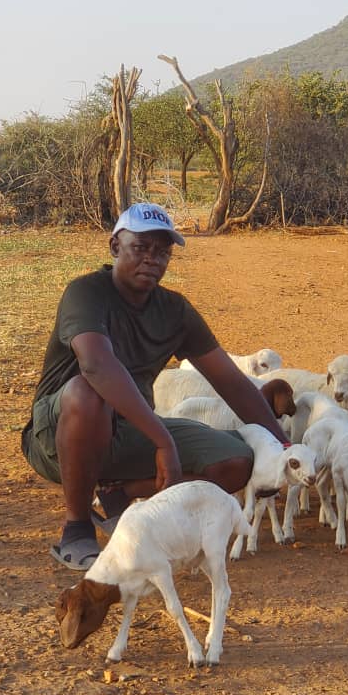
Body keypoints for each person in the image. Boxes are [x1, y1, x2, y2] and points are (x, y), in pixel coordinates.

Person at [21, 201, 289, 571]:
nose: (152, 259)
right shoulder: (86, 293)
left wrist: (282, 445)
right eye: (141, 248)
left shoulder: (175, 311)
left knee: (237, 460)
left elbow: (231, 382)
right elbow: (96, 366)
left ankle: (118, 498)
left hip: (132, 430)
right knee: (88, 392)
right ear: (115, 246)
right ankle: (78, 526)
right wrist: (163, 440)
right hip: (59, 437)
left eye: (162, 252)